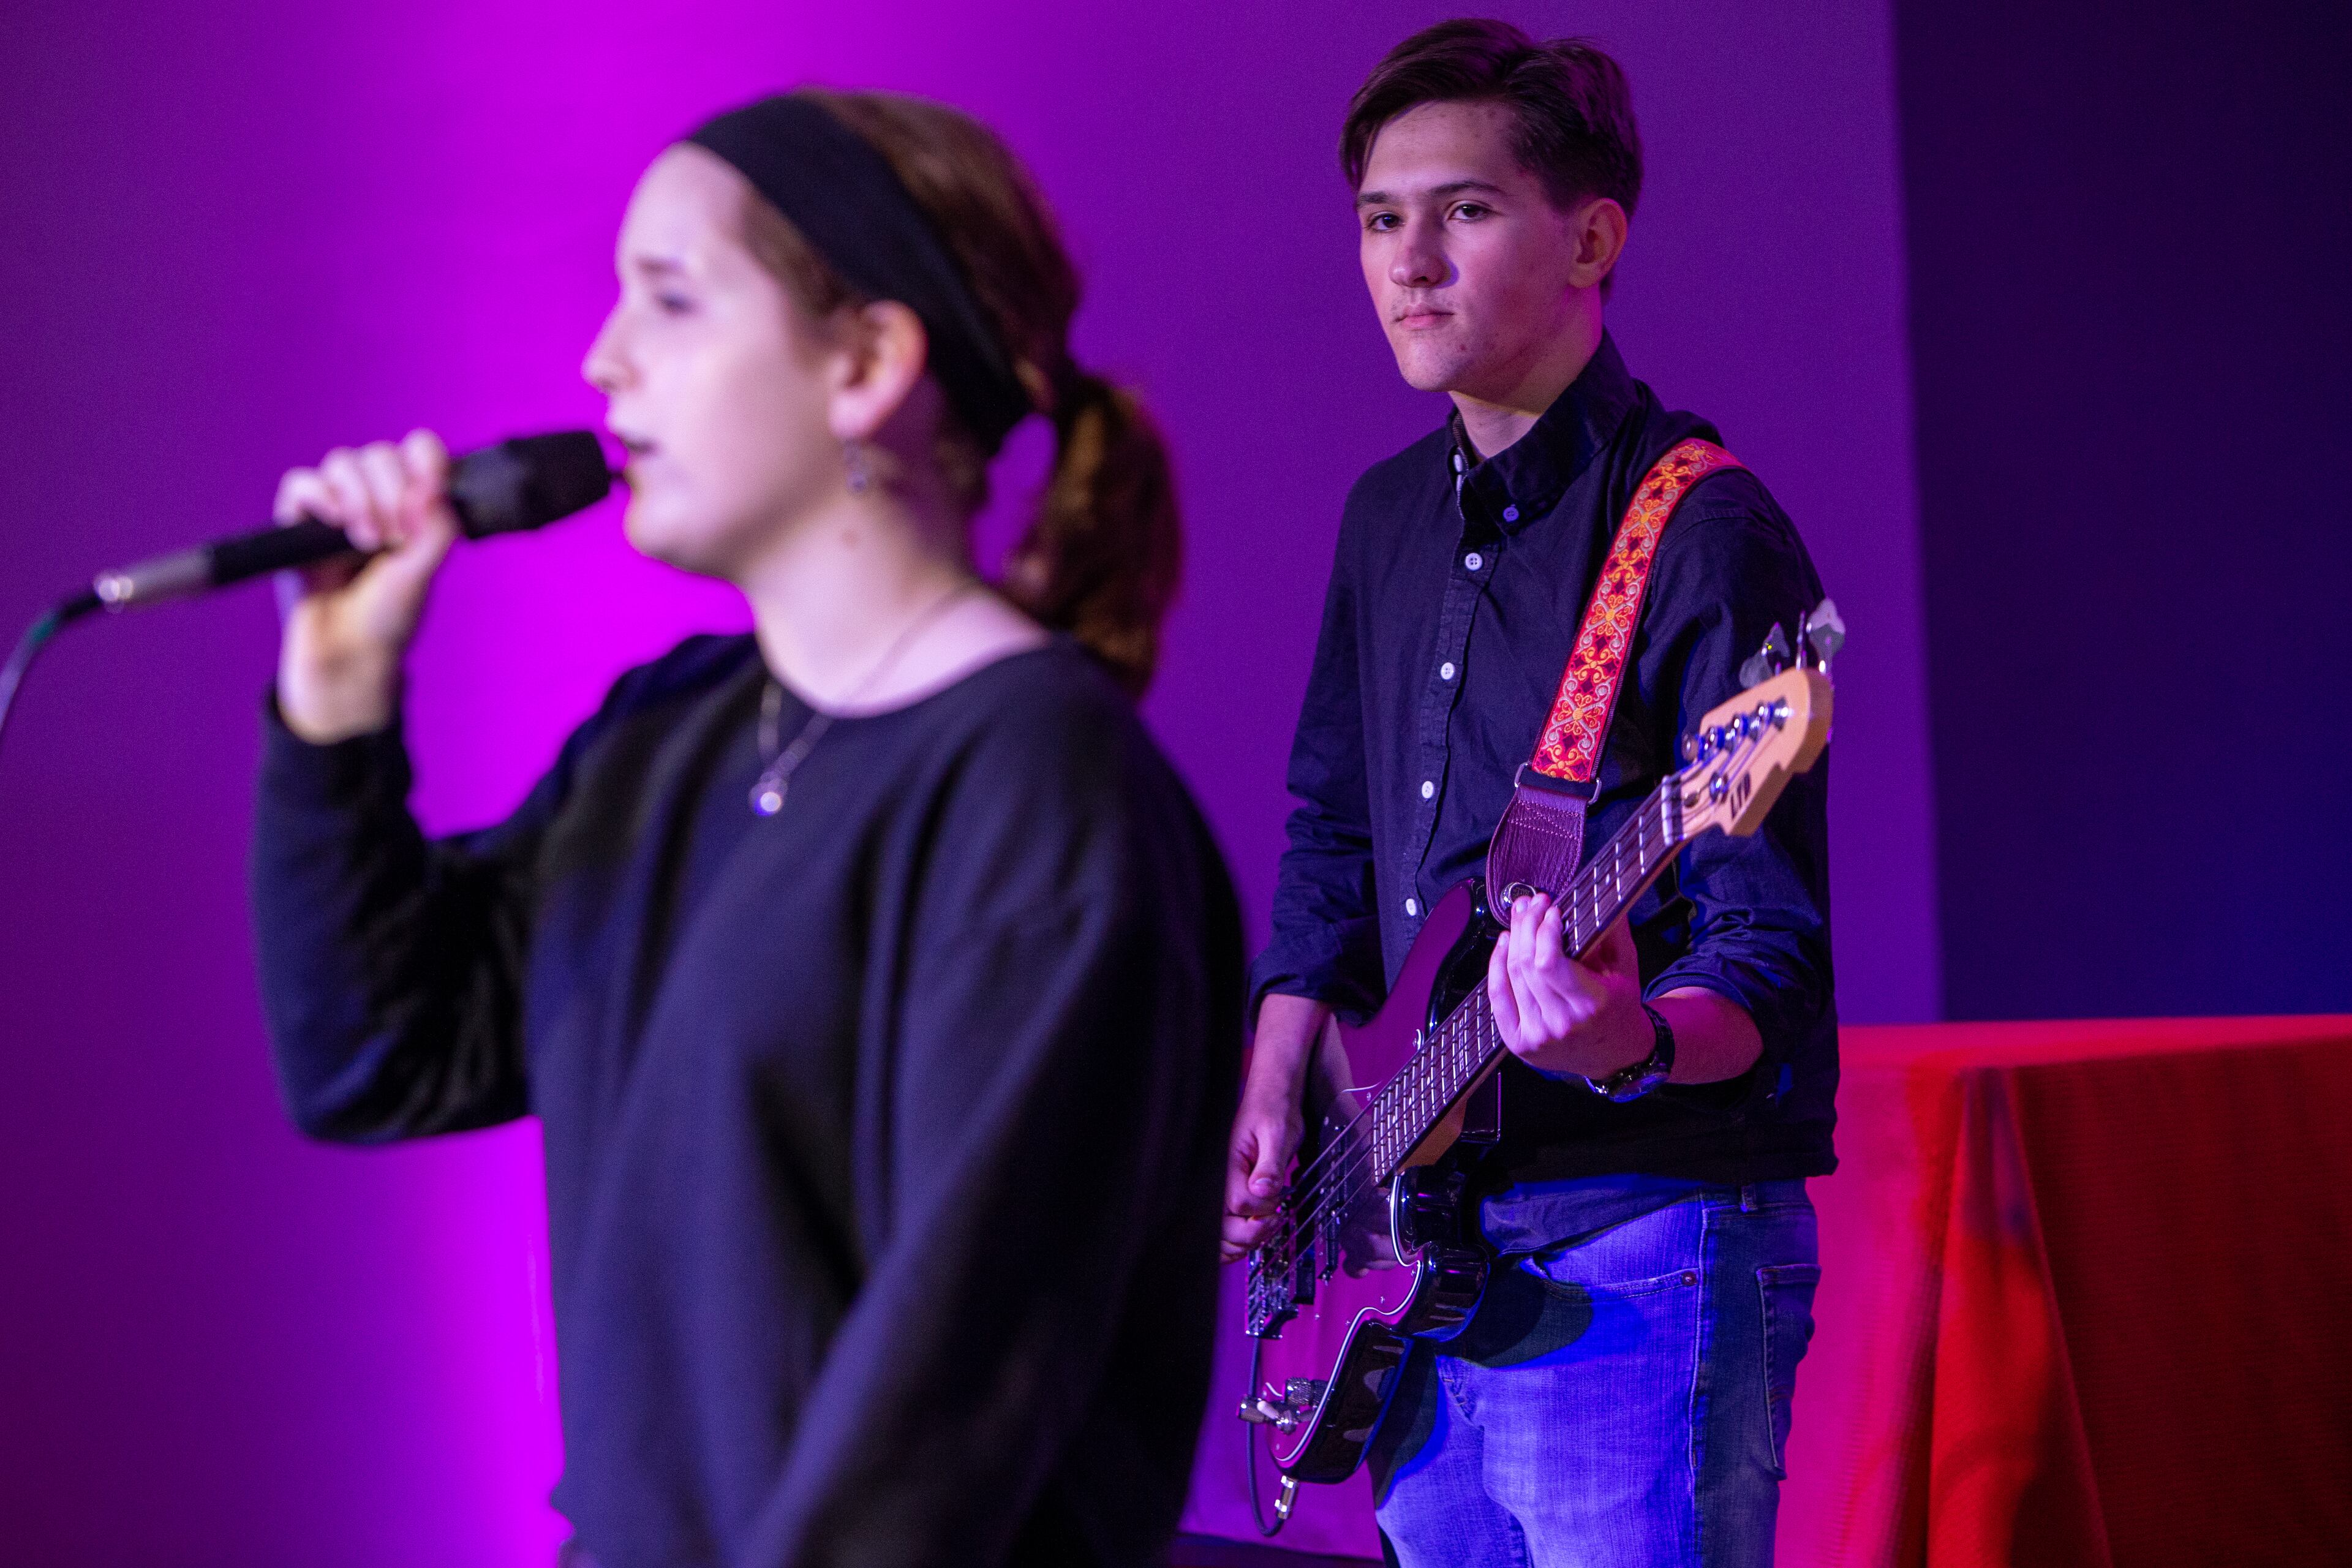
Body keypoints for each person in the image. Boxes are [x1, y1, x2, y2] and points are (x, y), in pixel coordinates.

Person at [251, 89, 1241, 1568]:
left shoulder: (1040, 796)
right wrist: (337, 698)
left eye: (670, 298)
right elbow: (380, 1052)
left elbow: (942, 1431)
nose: (604, 360)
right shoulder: (674, 732)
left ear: (867, 363)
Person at [1223, 21, 1835, 1567]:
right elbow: (1335, 826)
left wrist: (1628, 1037)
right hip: (1429, 1268)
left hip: (1640, 1246)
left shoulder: (1702, 528)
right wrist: (1280, 1064)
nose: (1410, 260)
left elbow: (1767, 955)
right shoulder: (1384, 517)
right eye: (1381, 218)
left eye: (1466, 210)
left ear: (1592, 240)